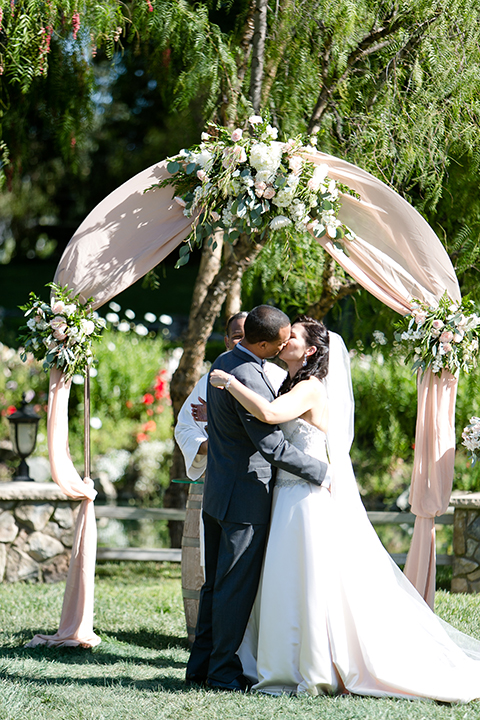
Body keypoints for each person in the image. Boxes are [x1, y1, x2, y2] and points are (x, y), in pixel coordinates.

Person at [209, 316, 480, 702]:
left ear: (312, 351)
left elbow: (269, 416)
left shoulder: (310, 388)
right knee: (288, 579)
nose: (284, 341)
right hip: (286, 494)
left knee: (305, 579)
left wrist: (230, 383)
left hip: (304, 495)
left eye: (294, 338)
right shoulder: (287, 380)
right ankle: (284, 659)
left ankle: (313, 665)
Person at [185, 305, 330, 692]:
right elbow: (273, 448)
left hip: (220, 493)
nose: (284, 347)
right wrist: (323, 472)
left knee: (215, 586)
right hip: (245, 498)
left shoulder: (226, 359)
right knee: (233, 589)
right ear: (263, 342)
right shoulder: (248, 374)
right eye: (281, 341)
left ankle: (199, 667)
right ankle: (221, 674)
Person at [175, 312, 286, 480]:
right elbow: (184, 428)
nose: (243, 341)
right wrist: (215, 445)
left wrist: (216, 413)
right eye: (237, 336)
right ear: (227, 341)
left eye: (248, 336)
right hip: (221, 474)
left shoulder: (278, 377)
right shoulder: (210, 379)